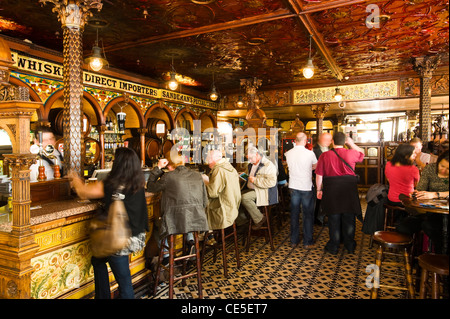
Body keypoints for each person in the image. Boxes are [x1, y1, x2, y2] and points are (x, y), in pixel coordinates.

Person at [68, 147, 148, 299]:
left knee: (124, 284)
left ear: (118, 164)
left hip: (120, 240)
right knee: (97, 260)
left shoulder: (111, 184)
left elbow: (83, 192)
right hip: (138, 237)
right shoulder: (138, 183)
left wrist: (75, 178)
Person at [146, 151, 209, 260]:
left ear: (169, 165)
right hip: (196, 219)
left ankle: (166, 258)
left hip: (174, 222)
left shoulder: (168, 177)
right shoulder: (197, 175)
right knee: (187, 218)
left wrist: (158, 168)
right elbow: (205, 201)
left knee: (158, 227)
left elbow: (151, 187)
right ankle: (191, 241)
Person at [315, 132, 364, 255]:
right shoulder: (351, 153)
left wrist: (318, 190)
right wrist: (351, 144)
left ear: (332, 141)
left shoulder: (325, 155)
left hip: (332, 189)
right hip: (349, 189)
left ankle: (334, 246)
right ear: (345, 142)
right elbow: (362, 153)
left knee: (334, 218)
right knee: (349, 217)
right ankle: (350, 245)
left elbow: (319, 175)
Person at [396, 151, 449, 254]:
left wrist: (436, 194)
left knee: (432, 228)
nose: (444, 170)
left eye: (448, 168)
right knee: (402, 227)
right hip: (429, 211)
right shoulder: (430, 169)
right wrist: (417, 194)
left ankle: (440, 259)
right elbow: (421, 188)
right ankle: (420, 256)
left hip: (445, 214)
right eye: (442, 166)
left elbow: (436, 194)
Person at [285, 132, 318, 248]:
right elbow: (316, 166)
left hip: (293, 186)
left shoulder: (288, 153)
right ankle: (307, 242)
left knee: (294, 214)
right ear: (305, 141)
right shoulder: (310, 154)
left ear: (295, 140)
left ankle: (294, 240)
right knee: (307, 215)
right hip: (306, 186)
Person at [240, 146, 278, 230]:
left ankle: (260, 218)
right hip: (252, 189)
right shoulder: (250, 165)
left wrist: (255, 180)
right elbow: (250, 178)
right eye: (248, 159)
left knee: (244, 198)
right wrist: (244, 176)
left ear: (257, 154)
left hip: (264, 191)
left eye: (250, 158)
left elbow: (271, 182)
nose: (249, 161)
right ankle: (243, 221)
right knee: (236, 196)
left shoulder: (268, 165)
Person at [204, 149, 241, 231]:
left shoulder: (219, 170)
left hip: (224, 209)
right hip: (233, 205)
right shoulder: (229, 166)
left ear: (213, 159)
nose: (207, 161)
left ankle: (206, 235)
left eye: (208, 159)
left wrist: (204, 185)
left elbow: (212, 193)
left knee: (199, 206)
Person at [312, 132, 332, 225]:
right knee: (319, 199)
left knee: (324, 199)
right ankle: (318, 219)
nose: (329, 142)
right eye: (327, 140)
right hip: (317, 177)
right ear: (321, 139)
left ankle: (321, 217)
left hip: (328, 177)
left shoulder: (329, 149)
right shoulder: (314, 150)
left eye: (330, 140)